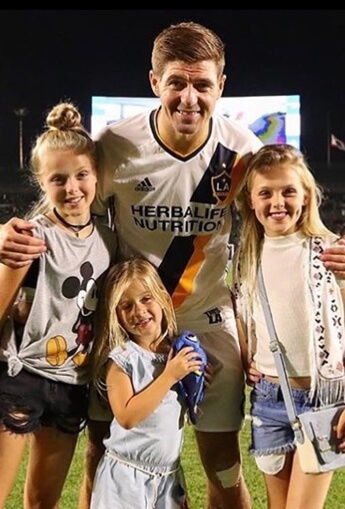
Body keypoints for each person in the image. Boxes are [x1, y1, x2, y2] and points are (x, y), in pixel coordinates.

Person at [0, 22, 345, 509]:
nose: (189, 97)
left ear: (220, 86)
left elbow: (285, 212)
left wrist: (331, 243)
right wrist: (10, 231)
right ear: (154, 82)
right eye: (176, 83)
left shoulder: (244, 151)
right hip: (128, 323)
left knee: (222, 462)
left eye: (202, 84)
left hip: (207, 321)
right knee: (104, 453)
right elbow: (71, 204)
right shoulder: (115, 145)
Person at [0, 102, 117, 509]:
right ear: (40, 181)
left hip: (72, 382)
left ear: (97, 174)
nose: (72, 188)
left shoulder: (109, 238)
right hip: (19, 377)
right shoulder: (31, 236)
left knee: (42, 503)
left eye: (82, 175)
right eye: (58, 179)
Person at [231, 143, 345, 509]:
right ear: (250, 200)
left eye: (288, 191)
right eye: (265, 192)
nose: (277, 202)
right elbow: (245, 319)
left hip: (321, 398)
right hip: (267, 401)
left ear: (307, 196)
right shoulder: (245, 259)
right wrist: (249, 356)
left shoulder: (331, 252)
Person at [89, 256, 204, 508]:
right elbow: (127, 416)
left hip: (168, 476)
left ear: (162, 297)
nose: (138, 311)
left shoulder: (176, 352)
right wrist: (170, 376)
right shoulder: (121, 360)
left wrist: (197, 378)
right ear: (115, 315)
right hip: (125, 479)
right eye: (126, 306)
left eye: (145, 299)